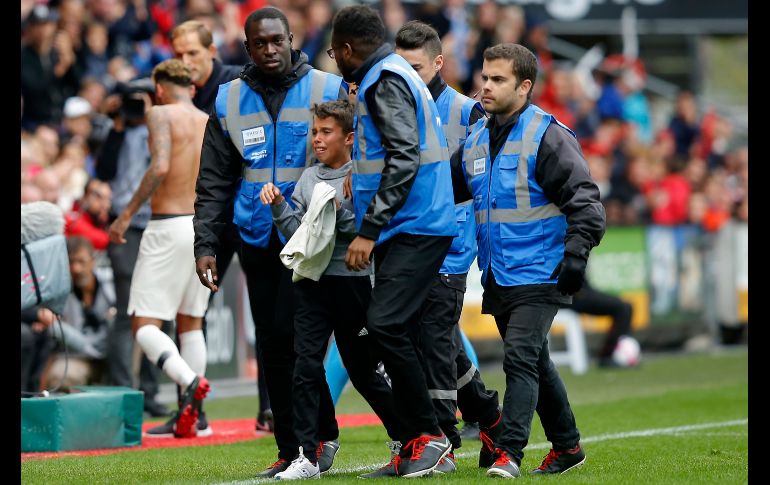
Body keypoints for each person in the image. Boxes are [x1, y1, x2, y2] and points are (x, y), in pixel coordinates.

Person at [193, 7, 345, 477]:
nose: (270, 50)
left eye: (278, 41)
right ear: (247, 47)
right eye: (261, 43)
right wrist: (206, 245)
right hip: (257, 237)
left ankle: (314, 442)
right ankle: (295, 447)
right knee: (274, 346)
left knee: (298, 342)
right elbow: (214, 180)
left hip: (313, 238)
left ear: (292, 38)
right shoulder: (228, 99)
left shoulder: (328, 88)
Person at [449, 43, 605, 478]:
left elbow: (587, 203)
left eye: (498, 79)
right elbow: (444, 187)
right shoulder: (477, 139)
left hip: (542, 272)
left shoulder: (548, 135)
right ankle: (568, 447)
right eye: (484, 77)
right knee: (535, 359)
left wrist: (576, 256)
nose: (486, 86)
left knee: (518, 357)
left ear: (525, 86)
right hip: (499, 274)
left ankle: (509, 452)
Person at [329, 5, 456, 478]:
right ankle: (420, 442)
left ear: (345, 49)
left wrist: (368, 228)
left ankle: (431, 437)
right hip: (415, 221)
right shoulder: (397, 72)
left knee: (383, 325)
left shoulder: (383, 79)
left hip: (414, 223)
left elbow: (403, 156)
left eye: (334, 52)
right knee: (400, 329)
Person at [260, 100, 402, 479]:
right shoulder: (309, 178)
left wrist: (339, 211)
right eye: (314, 132)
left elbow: (361, 231)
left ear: (349, 138)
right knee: (305, 364)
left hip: (353, 285)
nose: (318, 139)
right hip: (312, 282)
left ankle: (404, 437)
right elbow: (299, 235)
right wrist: (277, 208)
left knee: (363, 371)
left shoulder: (364, 176)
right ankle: (308, 454)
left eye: (326, 132)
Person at [393, 20, 502, 473]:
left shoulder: (466, 111)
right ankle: (489, 415)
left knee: (433, 340)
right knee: (436, 341)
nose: (406, 75)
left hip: (452, 246)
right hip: (407, 241)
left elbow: (482, 182)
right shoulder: (393, 105)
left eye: (415, 67)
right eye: (400, 66)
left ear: (438, 63)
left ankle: (441, 442)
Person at [165, 18, 273, 435]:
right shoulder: (177, 92)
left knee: (266, 313)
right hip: (212, 215)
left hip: (249, 216)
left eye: (192, 52)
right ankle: (192, 411)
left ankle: (270, 409)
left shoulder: (237, 86)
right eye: (178, 54)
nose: (185, 61)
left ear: (212, 51)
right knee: (191, 312)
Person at [109, 59, 211, 439]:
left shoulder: (161, 114)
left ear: (161, 88)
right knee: (191, 322)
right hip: (201, 226)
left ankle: (188, 384)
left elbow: (160, 166)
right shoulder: (204, 118)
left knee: (142, 325)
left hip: (167, 224)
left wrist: (125, 216)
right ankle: (196, 416)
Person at [96, 78, 169, 419]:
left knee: (158, 311)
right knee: (127, 312)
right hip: (125, 226)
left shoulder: (161, 125)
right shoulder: (118, 132)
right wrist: (117, 124)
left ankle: (150, 391)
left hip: (157, 223)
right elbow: (103, 170)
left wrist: (152, 113)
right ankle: (125, 392)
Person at [45, 236, 114, 390]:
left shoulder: (111, 284)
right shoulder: (59, 293)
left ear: (93, 260)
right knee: (60, 375)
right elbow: (54, 328)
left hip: (114, 355)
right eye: (71, 262)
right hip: (79, 357)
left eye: (81, 261)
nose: (76, 269)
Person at [568, 277, 635, 368]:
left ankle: (611, 354)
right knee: (624, 308)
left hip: (579, 292)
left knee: (625, 307)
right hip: (571, 296)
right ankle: (608, 356)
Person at [64, 178, 112, 251]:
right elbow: (103, 240)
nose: (105, 205)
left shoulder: (102, 224)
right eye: (98, 197)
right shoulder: (72, 220)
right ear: (84, 198)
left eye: (108, 199)